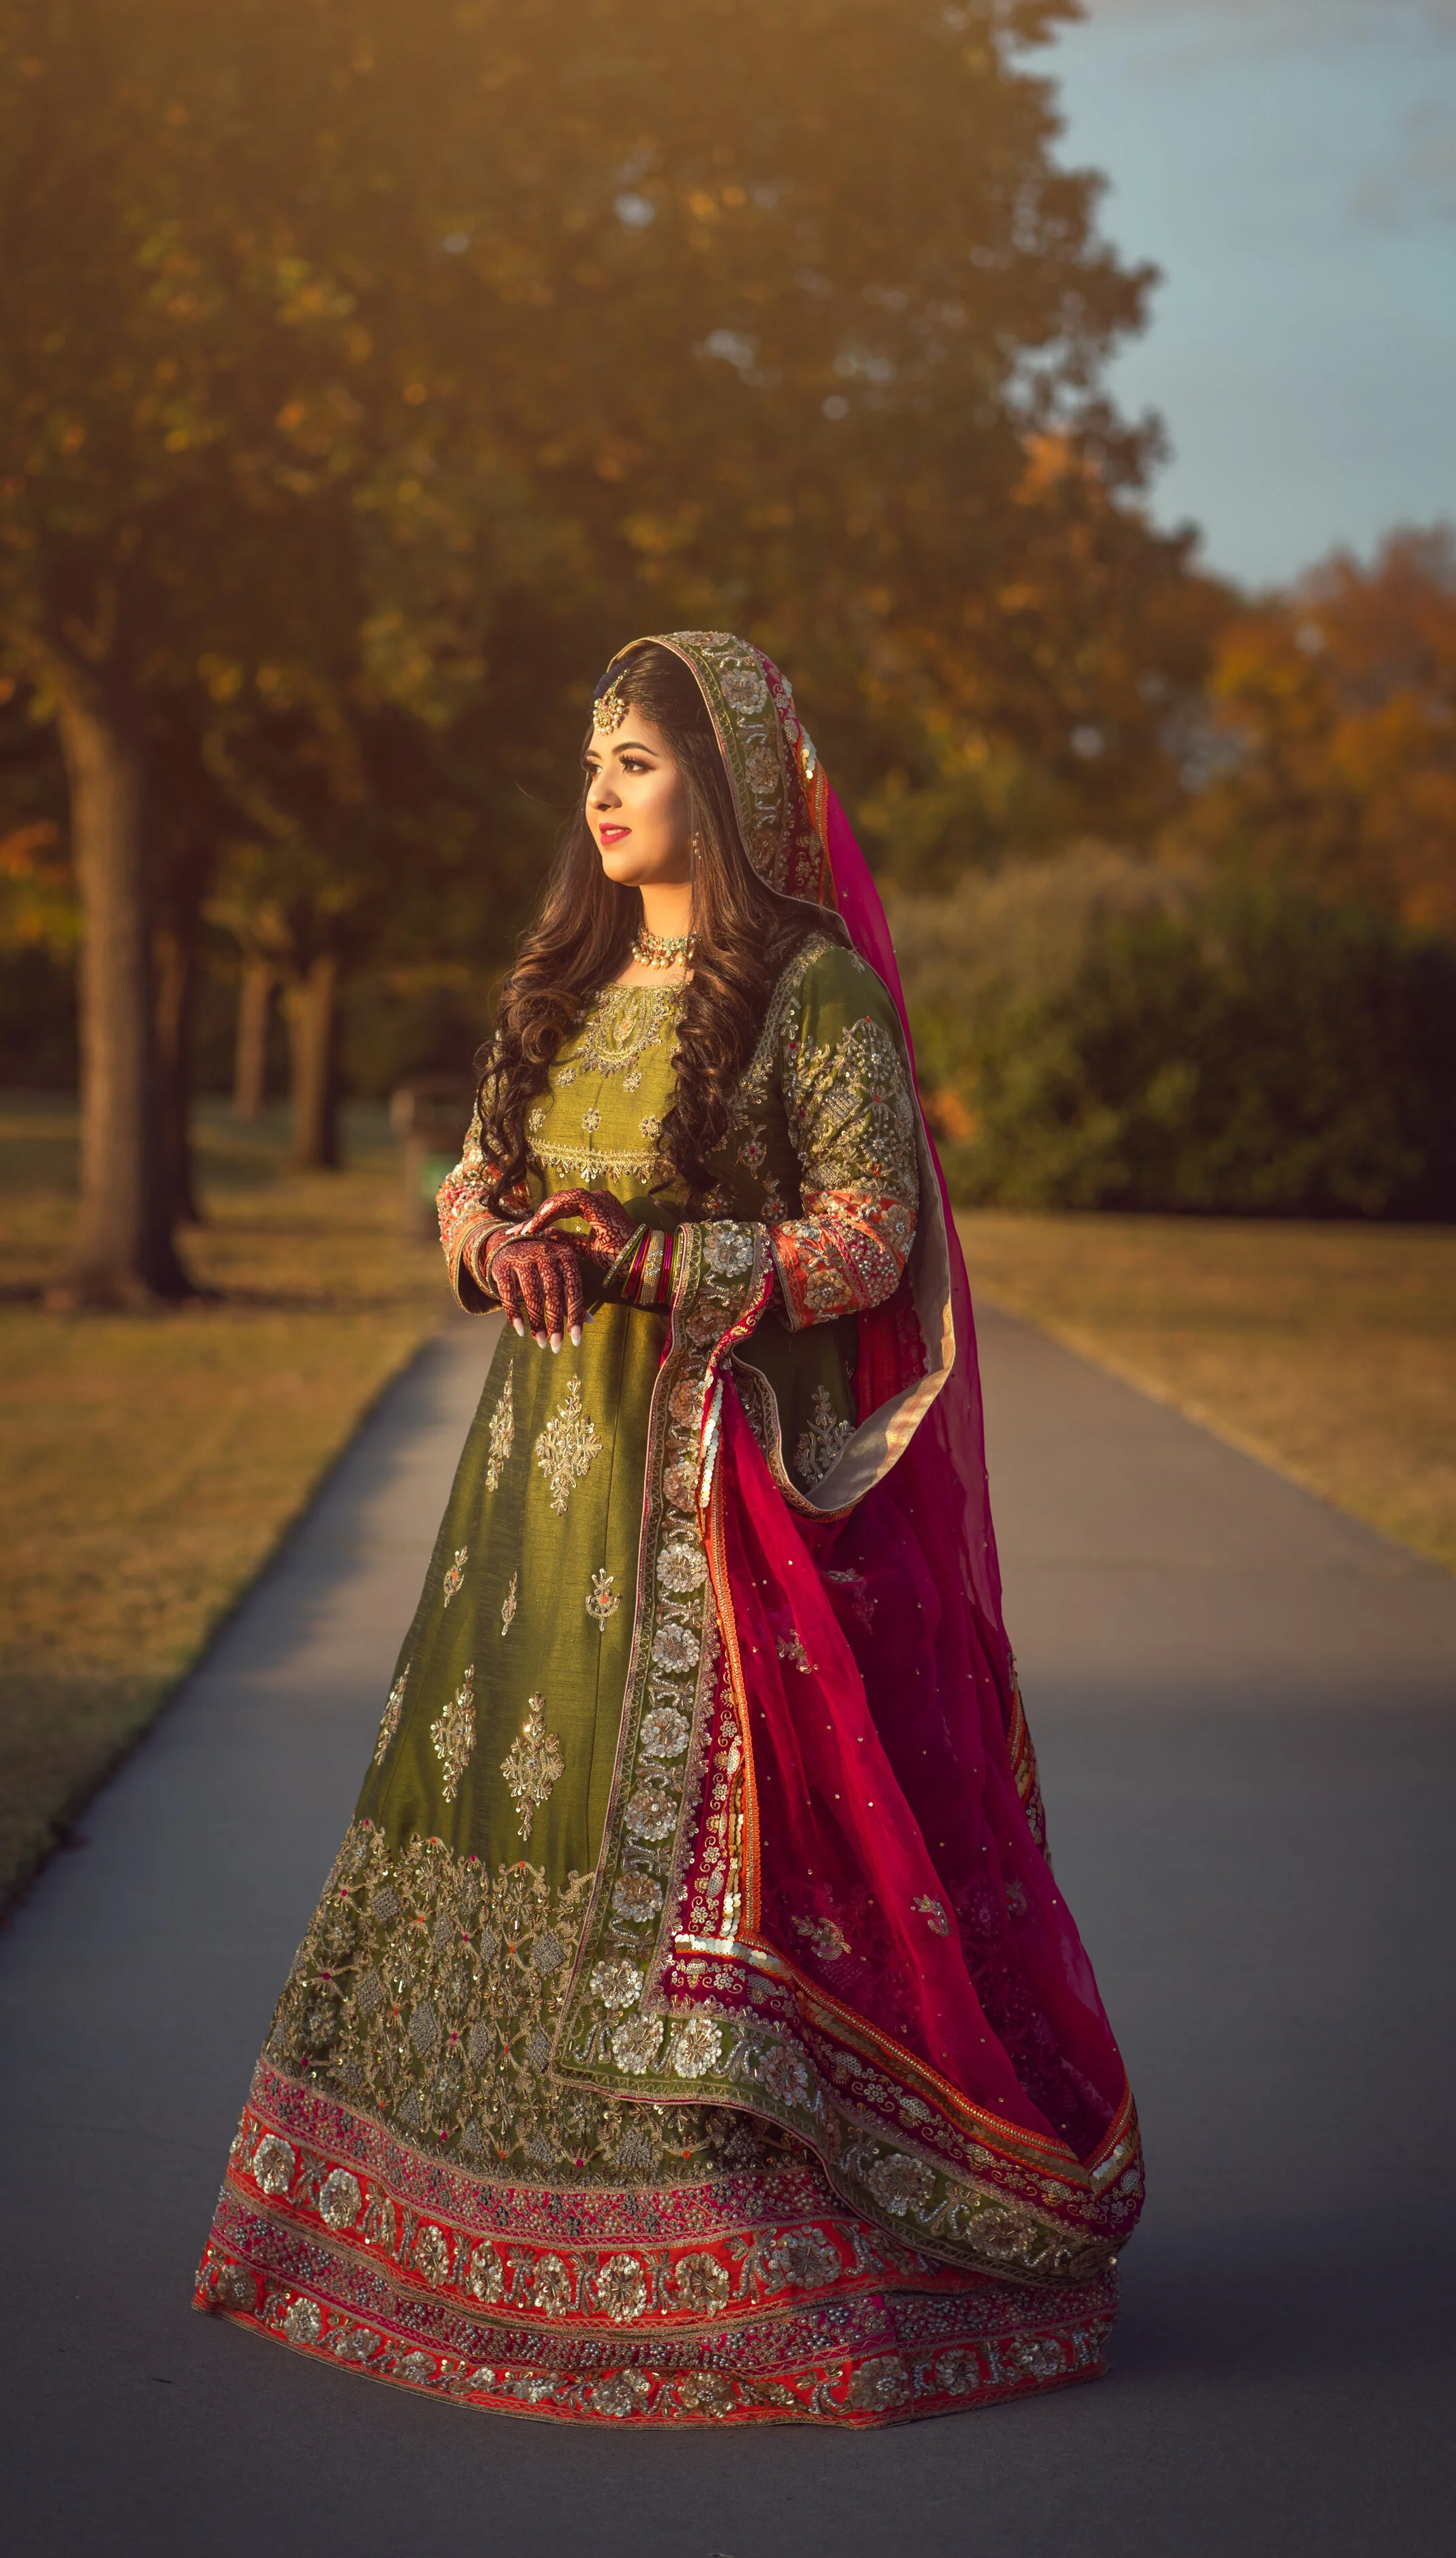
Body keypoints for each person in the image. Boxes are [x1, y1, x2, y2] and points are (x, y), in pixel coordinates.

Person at [193, 632, 1142, 2427]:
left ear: (728, 780)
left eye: (635, 760)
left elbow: (869, 1235)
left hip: (714, 1495)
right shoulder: (561, 976)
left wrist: (643, 1260)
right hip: (531, 1494)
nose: (601, 794)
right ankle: (443, 2223)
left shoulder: (812, 994)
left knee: (730, 1851)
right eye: (592, 763)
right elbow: (468, 1176)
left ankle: (752, 2263)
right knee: (509, 1795)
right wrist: (490, 1237)